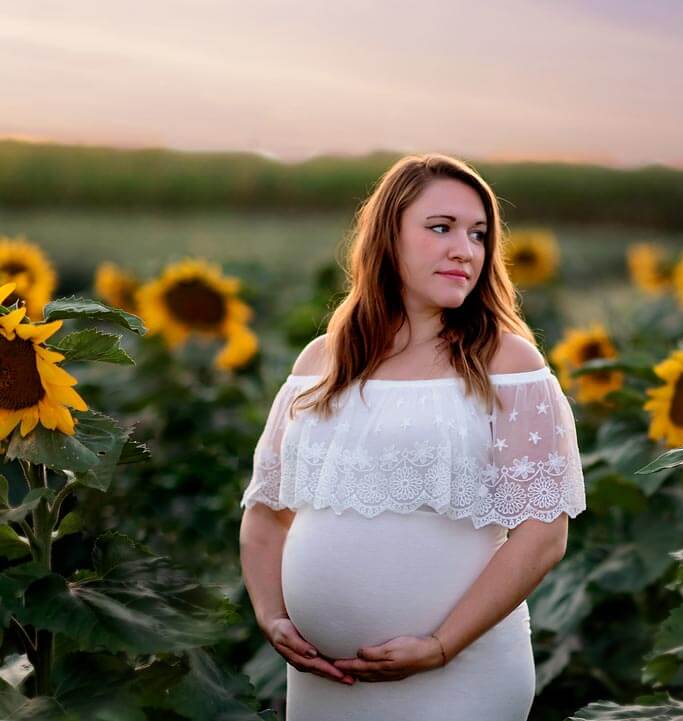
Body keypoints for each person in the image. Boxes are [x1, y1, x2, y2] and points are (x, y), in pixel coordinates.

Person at [238, 153, 587, 721]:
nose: (465, 250)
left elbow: (543, 534)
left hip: (458, 675)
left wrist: (441, 646)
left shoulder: (508, 361)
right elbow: (266, 513)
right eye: (441, 228)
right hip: (324, 682)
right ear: (386, 237)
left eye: (478, 235)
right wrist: (273, 616)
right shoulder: (321, 362)